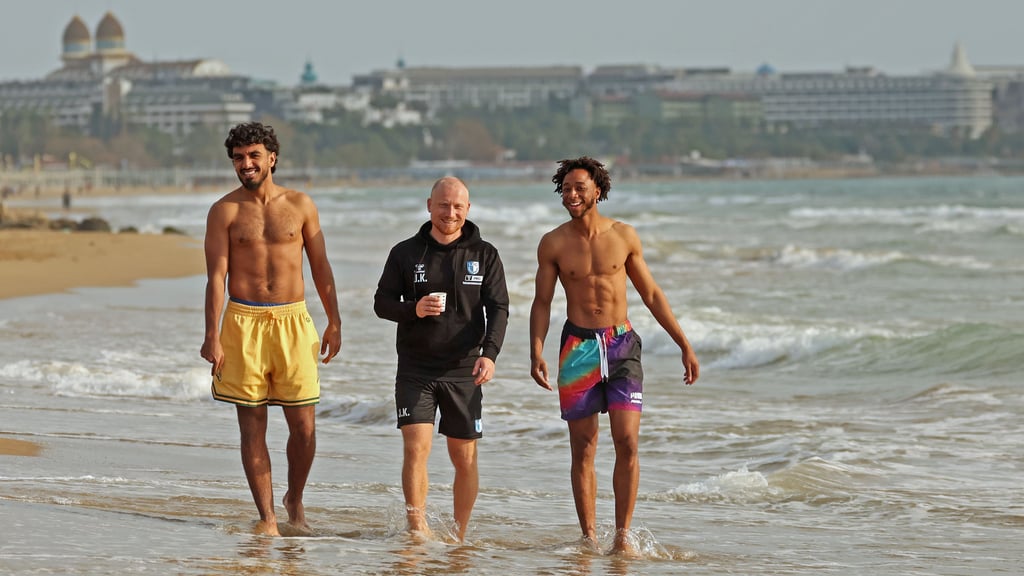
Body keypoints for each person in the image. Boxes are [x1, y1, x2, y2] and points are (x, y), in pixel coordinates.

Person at [529, 156, 699, 554]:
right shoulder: (553, 242)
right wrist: (535, 347)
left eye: (579, 188)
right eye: (566, 189)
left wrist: (684, 344)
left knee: (627, 442)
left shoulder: (624, 237)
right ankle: (589, 538)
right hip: (578, 348)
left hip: (622, 345)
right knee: (583, 446)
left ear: (598, 191)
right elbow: (542, 301)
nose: (571, 195)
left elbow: (652, 294)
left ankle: (623, 537)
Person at [200, 121, 342, 536]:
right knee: (252, 425)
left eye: (253, 156)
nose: (246, 164)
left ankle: (294, 498)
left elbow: (320, 266)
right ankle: (268, 518)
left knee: (304, 427)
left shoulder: (300, 205)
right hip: (242, 321)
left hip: (293, 321)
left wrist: (334, 320)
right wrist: (212, 335)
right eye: (239, 158)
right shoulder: (223, 211)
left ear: (272, 158)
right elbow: (216, 278)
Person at [374, 176, 509, 542]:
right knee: (416, 447)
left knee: (464, 459)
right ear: (429, 205)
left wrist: (490, 354)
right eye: (443, 204)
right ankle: (417, 528)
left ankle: (458, 535)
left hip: (465, 368)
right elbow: (381, 304)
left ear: (467, 210)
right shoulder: (405, 252)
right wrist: (413, 308)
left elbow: (499, 309)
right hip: (416, 368)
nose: (450, 212)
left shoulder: (485, 254)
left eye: (458, 206)